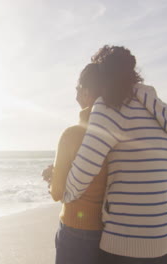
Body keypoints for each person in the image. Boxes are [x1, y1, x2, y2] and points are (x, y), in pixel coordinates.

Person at [61, 45, 167, 264]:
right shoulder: (158, 110)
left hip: (126, 244)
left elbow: (81, 176)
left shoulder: (110, 108)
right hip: (164, 239)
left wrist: (63, 193)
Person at [43, 63, 108, 264]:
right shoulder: (113, 133)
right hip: (105, 230)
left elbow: (57, 193)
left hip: (74, 229)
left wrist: (53, 178)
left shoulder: (72, 135)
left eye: (78, 89)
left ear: (87, 92)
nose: (76, 94)